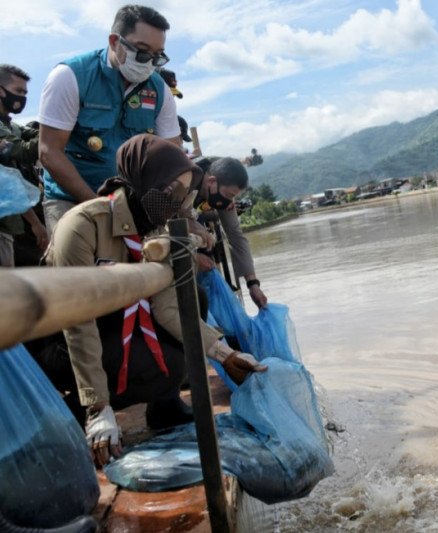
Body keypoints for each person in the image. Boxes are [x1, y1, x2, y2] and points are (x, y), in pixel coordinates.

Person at [44, 134, 266, 466]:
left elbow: (168, 307)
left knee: (188, 322)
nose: (177, 204)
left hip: (112, 325)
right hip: (62, 341)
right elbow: (77, 321)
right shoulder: (82, 226)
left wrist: (226, 353)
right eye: (170, 191)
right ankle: (77, 406)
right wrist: (98, 406)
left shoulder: (154, 231)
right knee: (157, 369)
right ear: (143, 180)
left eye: (183, 194)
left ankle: (163, 405)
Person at [38, 4, 181, 235]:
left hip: (135, 205)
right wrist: (101, 207)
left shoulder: (159, 91)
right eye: (142, 51)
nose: (149, 62)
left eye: (157, 57)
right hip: (71, 199)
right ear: (115, 41)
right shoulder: (70, 77)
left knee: (154, 265)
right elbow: (49, 152)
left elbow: (172, 159)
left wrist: (173, 215)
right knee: (78, 268)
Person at [194, 156, 268, 308]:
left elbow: (235, 235)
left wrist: (253, 284)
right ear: (212, 181)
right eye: (229, 196)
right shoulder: (187, 178)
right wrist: (193, 258)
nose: (230, 202)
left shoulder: (225, 194)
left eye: (233, 197)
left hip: (198, 212)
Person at [0, 64, 48, 267]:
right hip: (9, 222)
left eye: (25, 92)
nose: (22, 97)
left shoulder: (12, 126)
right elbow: (24, 151)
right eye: (18, 91)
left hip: (19, 224)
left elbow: (38, 137)